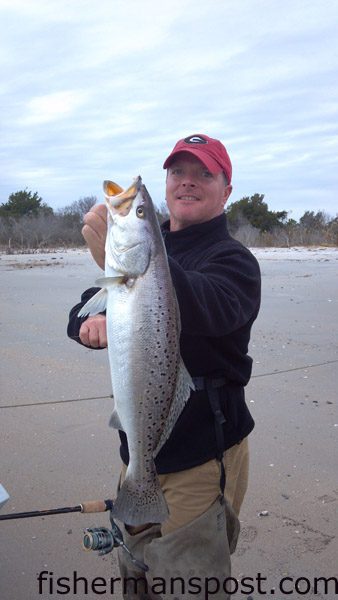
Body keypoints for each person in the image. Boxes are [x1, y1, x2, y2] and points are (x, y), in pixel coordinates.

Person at [67, 133, 261, 599]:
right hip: (139, 450)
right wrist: (91, 323)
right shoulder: (146, 255)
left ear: (226, 189)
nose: (187, 183)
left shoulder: (234, 260)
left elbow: (212, 306)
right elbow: (81, 311)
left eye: (204, 174)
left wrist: (142, 268)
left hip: (202, 455)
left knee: (186, 586)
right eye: (178, 172)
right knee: (135, 577)